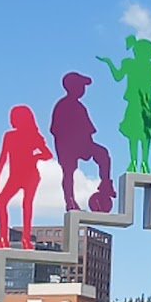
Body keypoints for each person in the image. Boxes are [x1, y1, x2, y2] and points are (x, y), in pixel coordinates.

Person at [97, 37, 151, 173]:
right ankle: (139, 162)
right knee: (140, 134)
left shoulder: (140, 65)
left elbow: (119, 77)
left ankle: (140, 162)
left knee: (139, 134)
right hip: (140, 104)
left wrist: (109, 63)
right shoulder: (139, 65)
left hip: (143, 105)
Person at [49, 72, 116, 213]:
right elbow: (56, 130)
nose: (82, 90)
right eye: (81, 86)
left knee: (102, 154)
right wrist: (66, 146)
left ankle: (106, 184)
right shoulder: (62, 106)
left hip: (82, 144)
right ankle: (70, 200)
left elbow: (88, 130)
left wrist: (88, 145)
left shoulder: (80, 107)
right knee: (68, 172)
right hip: (67, 147)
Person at [0, 106, 53, 249]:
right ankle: (4, 239)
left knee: (26, 204)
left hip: (30, 175)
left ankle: (26, 239)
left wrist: (35, 157)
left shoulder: (32, 135)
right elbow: (3, 157)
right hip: (16, 175)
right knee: (2, 202)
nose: (12, 120)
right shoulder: (10, 136)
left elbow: (48, 154)